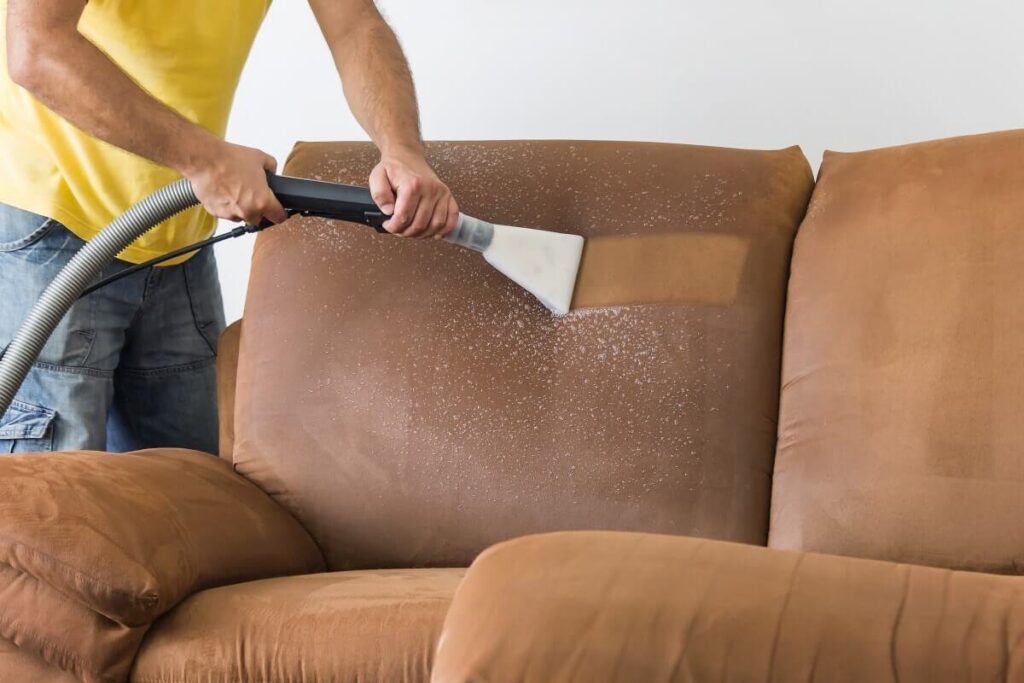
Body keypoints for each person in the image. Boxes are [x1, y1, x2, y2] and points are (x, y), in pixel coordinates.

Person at [0, 0, 457, 454]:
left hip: (177, 237)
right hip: (53, 224)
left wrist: (402, 150)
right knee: (55, 504)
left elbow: (355, 25)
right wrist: (206, 160)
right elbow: (37, 48)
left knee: (192, 497)